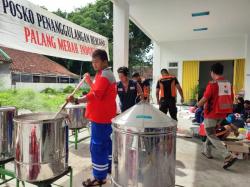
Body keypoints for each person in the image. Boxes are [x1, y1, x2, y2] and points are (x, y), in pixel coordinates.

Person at [67, 49, 117, 186]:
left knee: (98, 146)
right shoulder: (103, 74)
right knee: (106, 144)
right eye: (92, 62)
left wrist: (77, 100)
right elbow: (96, 92)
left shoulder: (105, 75)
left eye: (96, 62)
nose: (94, 64)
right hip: (105, 117)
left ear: (105, 61)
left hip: (101, 118)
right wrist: (90, 82)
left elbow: (95, 95)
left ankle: (99, 177)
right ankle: (108, 168)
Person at [197, 62, 237, 169]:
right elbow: (231, 99)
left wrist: (198, 105)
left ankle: (228, 155)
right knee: (212, 133)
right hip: (223, 113)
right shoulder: (228, 84)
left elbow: (205, 98)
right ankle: (207, 151)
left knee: (210, 134)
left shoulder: (213, 84)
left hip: (211, 114)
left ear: (212, 72)